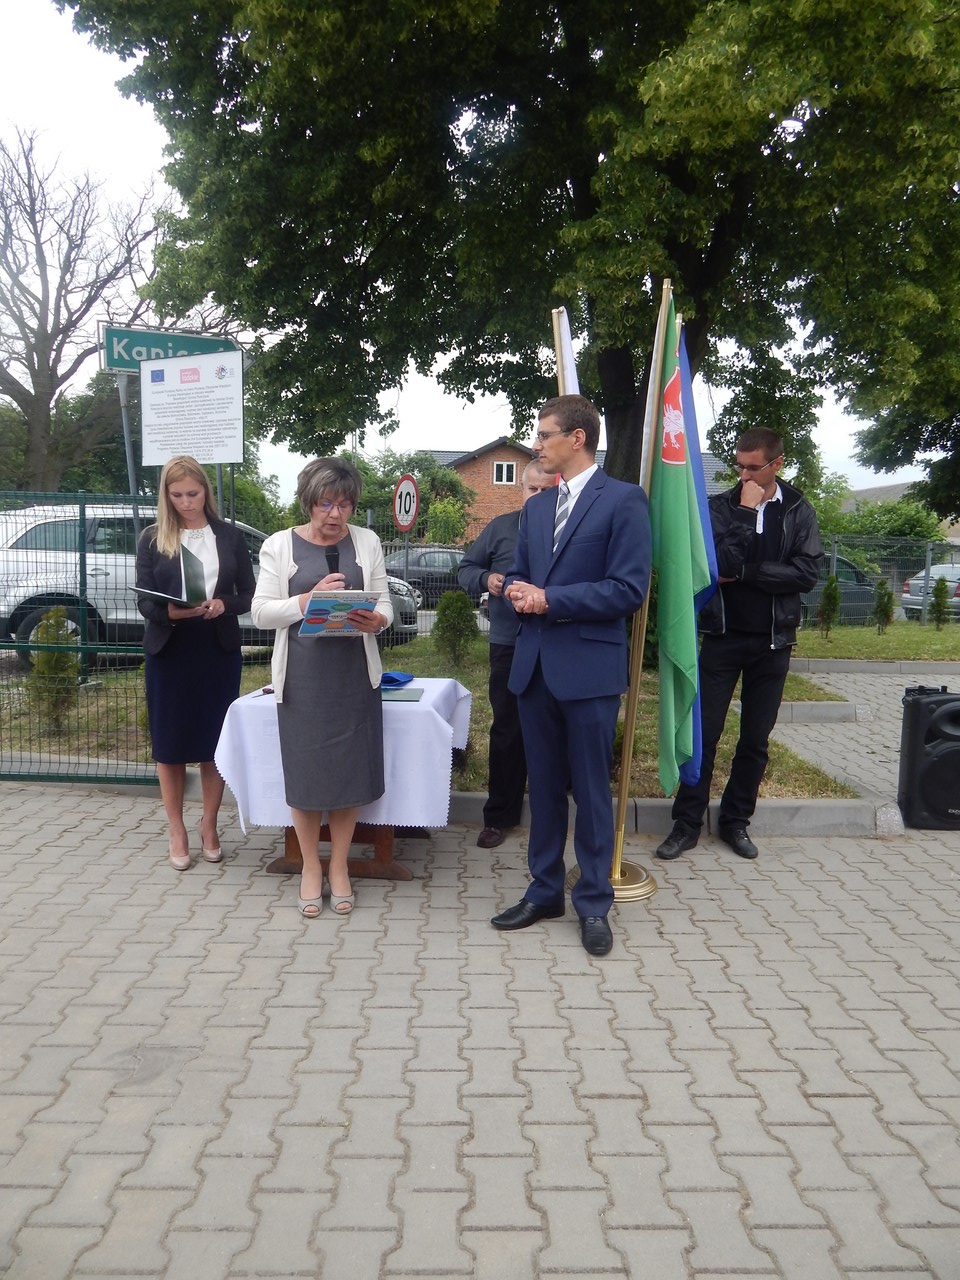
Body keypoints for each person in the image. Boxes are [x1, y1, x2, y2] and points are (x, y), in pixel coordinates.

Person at [491, 394, 651, 956]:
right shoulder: (537, 509)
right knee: (543, 789)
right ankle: (544, 892)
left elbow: (628, 589)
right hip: (535, 669)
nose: (536, 444)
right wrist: (514, 590)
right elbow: (520, 574)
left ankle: (594, 903)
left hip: (589, 672)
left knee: (590, 791)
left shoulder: (624, 501)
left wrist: (550, 599)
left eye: (544, 435)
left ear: (577, 438)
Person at [655, 428, 823, 863]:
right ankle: (686, 823)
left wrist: (748, 573)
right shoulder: (721, 507)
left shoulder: (799, 509)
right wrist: (746, 514)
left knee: (755, 740)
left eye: (753, 467)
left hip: (773, 641)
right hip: (723, 637)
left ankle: (735, 821)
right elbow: (719, 566)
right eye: (739, 465)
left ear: (777, 464)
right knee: (705, 734)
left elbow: (806, 574)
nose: (744, 474)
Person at [251, 458, 393, 918]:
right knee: (307, 776)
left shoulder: (367, 541)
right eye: (326, 504)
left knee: (349, 775)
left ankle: (340, 866)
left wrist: (378, 620)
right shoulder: (278, 545)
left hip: (354, 676)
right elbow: (260, 613)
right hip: (303, 679)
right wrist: (305, 601)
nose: (335, 514)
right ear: (308, 502)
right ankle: (311, 866)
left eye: (345, 505)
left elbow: (386, 603)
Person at [136, 455, 256, 871]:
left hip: (216, 648)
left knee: (212, 744)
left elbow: (248, 594)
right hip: (170, 651)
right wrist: (170, 612)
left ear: (206, 490)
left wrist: (224, 603)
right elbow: (145, 600)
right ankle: (176, 829)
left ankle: (209, 824)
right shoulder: (152, 538)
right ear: (166, 496)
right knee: (169, 745)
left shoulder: (230, 536)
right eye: (177, 495)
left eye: (193, 493)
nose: (186, 502)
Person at [457, 459, 554, 849]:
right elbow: (465, 569)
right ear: (521, 490)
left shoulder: (572, 528)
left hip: (559, 642)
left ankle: (555, 811)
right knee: (508, 729)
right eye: (533, 489)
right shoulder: (500, 528)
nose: (539, 496)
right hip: (509, 644)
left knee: (556, 728)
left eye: (548, 490)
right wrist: (486, 579)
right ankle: (499, 816)